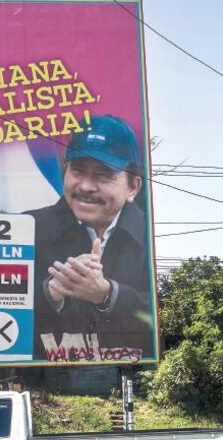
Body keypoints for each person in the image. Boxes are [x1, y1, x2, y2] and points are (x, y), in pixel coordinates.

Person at [25, 115, 155, 362]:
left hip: (132, 388)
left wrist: (107, 294)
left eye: (103, 175)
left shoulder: (153, 240)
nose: (85, 186)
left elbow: (167, 317)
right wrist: (50, 293)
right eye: (77, 170)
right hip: (42, 388)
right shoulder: (27, 229)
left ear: (133, 188)